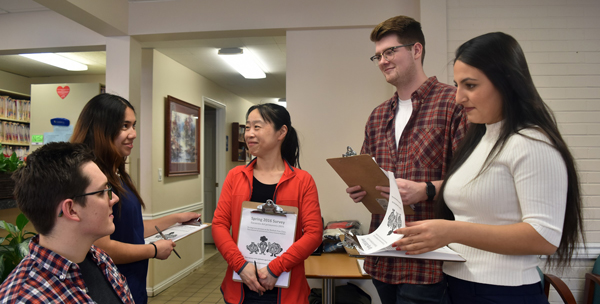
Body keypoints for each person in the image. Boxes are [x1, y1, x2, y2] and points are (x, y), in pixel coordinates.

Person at [393, 32, 584, 303]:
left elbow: (544, 237)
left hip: (503, 292)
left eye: (470, 85)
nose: (459, 97)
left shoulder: (532, 143)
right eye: (458, 85)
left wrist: (450, 231)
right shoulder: (481, 139)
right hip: (458, 285)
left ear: (508, 83)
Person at [345, 15, 467, 303]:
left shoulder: (453, 103)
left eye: (390, 52)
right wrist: (361, 188)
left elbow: (472, 180)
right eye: (377, 56)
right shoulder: (377, 116)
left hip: (429, 262)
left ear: (416, 50)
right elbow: (370, 174)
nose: (383, 61)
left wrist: (426, 189)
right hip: (383, 258)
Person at [70, 93, 201, 304]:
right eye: (124, 126)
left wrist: (175, 218)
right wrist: (154, 250)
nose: (133, 134)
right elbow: (102, 247)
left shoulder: (118, 174)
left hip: (131, 283)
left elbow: (130, 228)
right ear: (101, 128)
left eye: (134, 125)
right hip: (109, 287)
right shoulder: (92, 178)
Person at [212, 103, 323, 304]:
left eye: (257, 126)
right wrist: (241, 266)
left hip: (287, 291)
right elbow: (219, 225)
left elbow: (314, 233)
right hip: (240, 289)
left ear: (281, 132)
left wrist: (276, 268)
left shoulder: (302, 180)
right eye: (247, 127)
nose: (249, 134)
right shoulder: (235, 176)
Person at [0, 142, 134, 303]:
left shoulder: (100, 259)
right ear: (71, 209)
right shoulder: (25, 298)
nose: (114, 199)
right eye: (103, 192)